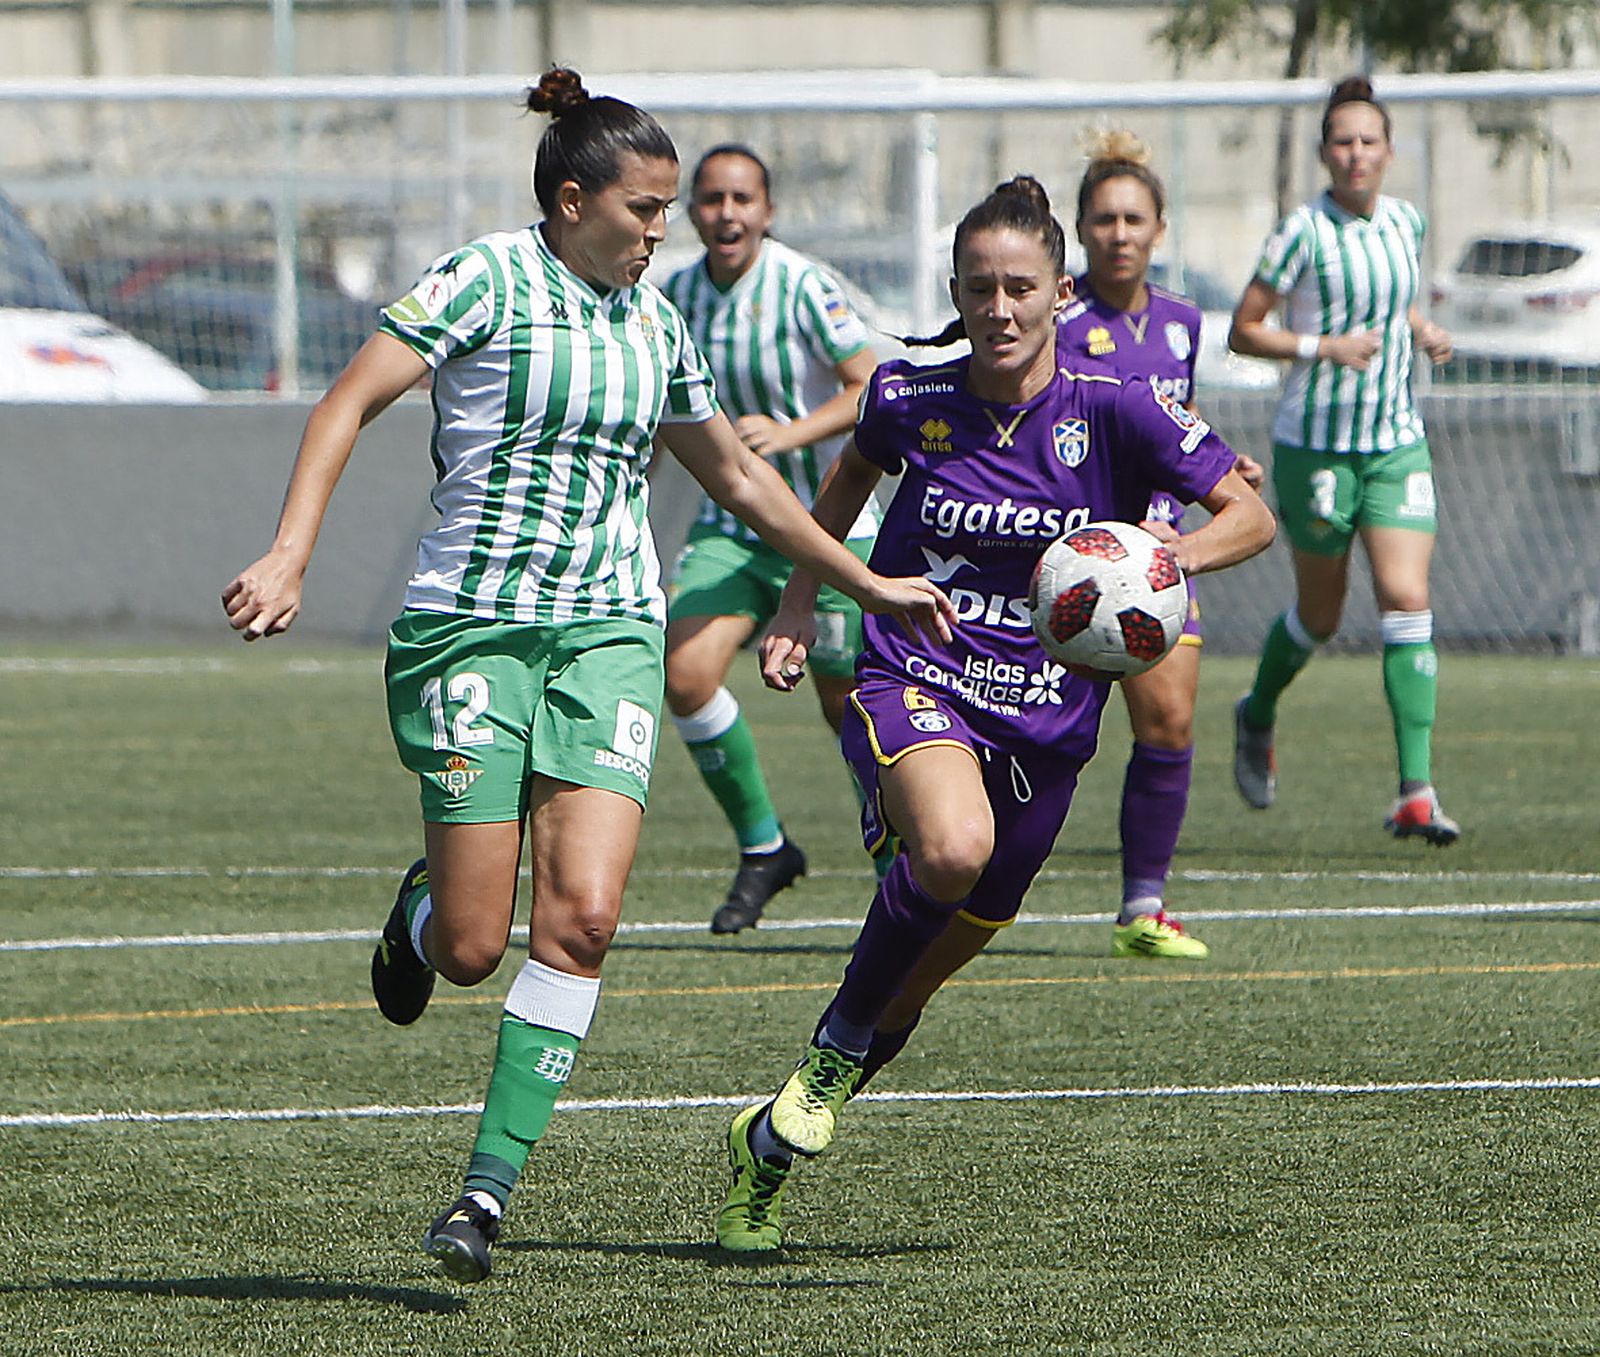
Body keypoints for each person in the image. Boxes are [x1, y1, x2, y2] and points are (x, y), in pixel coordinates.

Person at [221, 67, 953, 1286]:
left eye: (671, 210)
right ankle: (420, 911)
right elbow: (349, 399)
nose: (663, 231)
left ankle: (482, 1197)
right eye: (645, 210)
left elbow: (737, 477)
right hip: (470, 631)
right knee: (469, 944)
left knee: (587, 919)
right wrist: (290, 549)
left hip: (607, 632)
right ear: (572, 201)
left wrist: (853, 578)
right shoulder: (485, 280)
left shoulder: (657, 325)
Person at [712, 175, 1275, 1252]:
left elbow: (1247, 516)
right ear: (957, 293)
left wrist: (1160, 558)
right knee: (954, 848)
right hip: (914, 669)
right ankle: (831, 1045)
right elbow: (838, 493)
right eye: (980, 289)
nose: (1000, 309)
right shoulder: (908, 397)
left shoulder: (1116, 408)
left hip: (1048, 726)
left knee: (911, 989)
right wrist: (797, 595)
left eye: (1021, 287)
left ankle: (766, 1152)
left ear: (1061, 292)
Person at [1228, 75, 1458, 844]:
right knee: (1321, 616)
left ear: (1389, 152)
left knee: (1405, 593)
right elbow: (1244, 328)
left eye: (1369, 141)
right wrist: (1322, 347)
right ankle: (1257, 711)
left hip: (1396, 440)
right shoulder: (1302, 232)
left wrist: (1420, 327)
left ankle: (1416, 791)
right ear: (1325, 154)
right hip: (1317, 447)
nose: (1356, 154)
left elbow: (1391, 302)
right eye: (1342, 142)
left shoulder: (1407, 223)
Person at [659, 144, 880, 934]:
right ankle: (765, 846)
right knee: (684, 674)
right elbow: (662, 412)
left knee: (844, 702)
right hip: (731, 525)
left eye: (742, 199)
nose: (727, 213)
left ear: (768, 210)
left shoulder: (801, 285)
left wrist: (790, 434)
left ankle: (899, 868)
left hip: (826, 522)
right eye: (712, 199)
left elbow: (870, 387)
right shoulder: (672, 294)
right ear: (691, 210)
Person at [1058, 128, 1265, 960]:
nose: (1119, 233)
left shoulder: (1183, 322)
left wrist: (1218, 465)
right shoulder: (1059, 320)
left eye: (1134, 218)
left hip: (1156, 559)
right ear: (1081, 229)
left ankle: (1143, 906)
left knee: (1171, 725)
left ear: (1160, 229)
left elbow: (1170, 433)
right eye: (1104, 218)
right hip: (1068, 556)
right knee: (1045, 734)